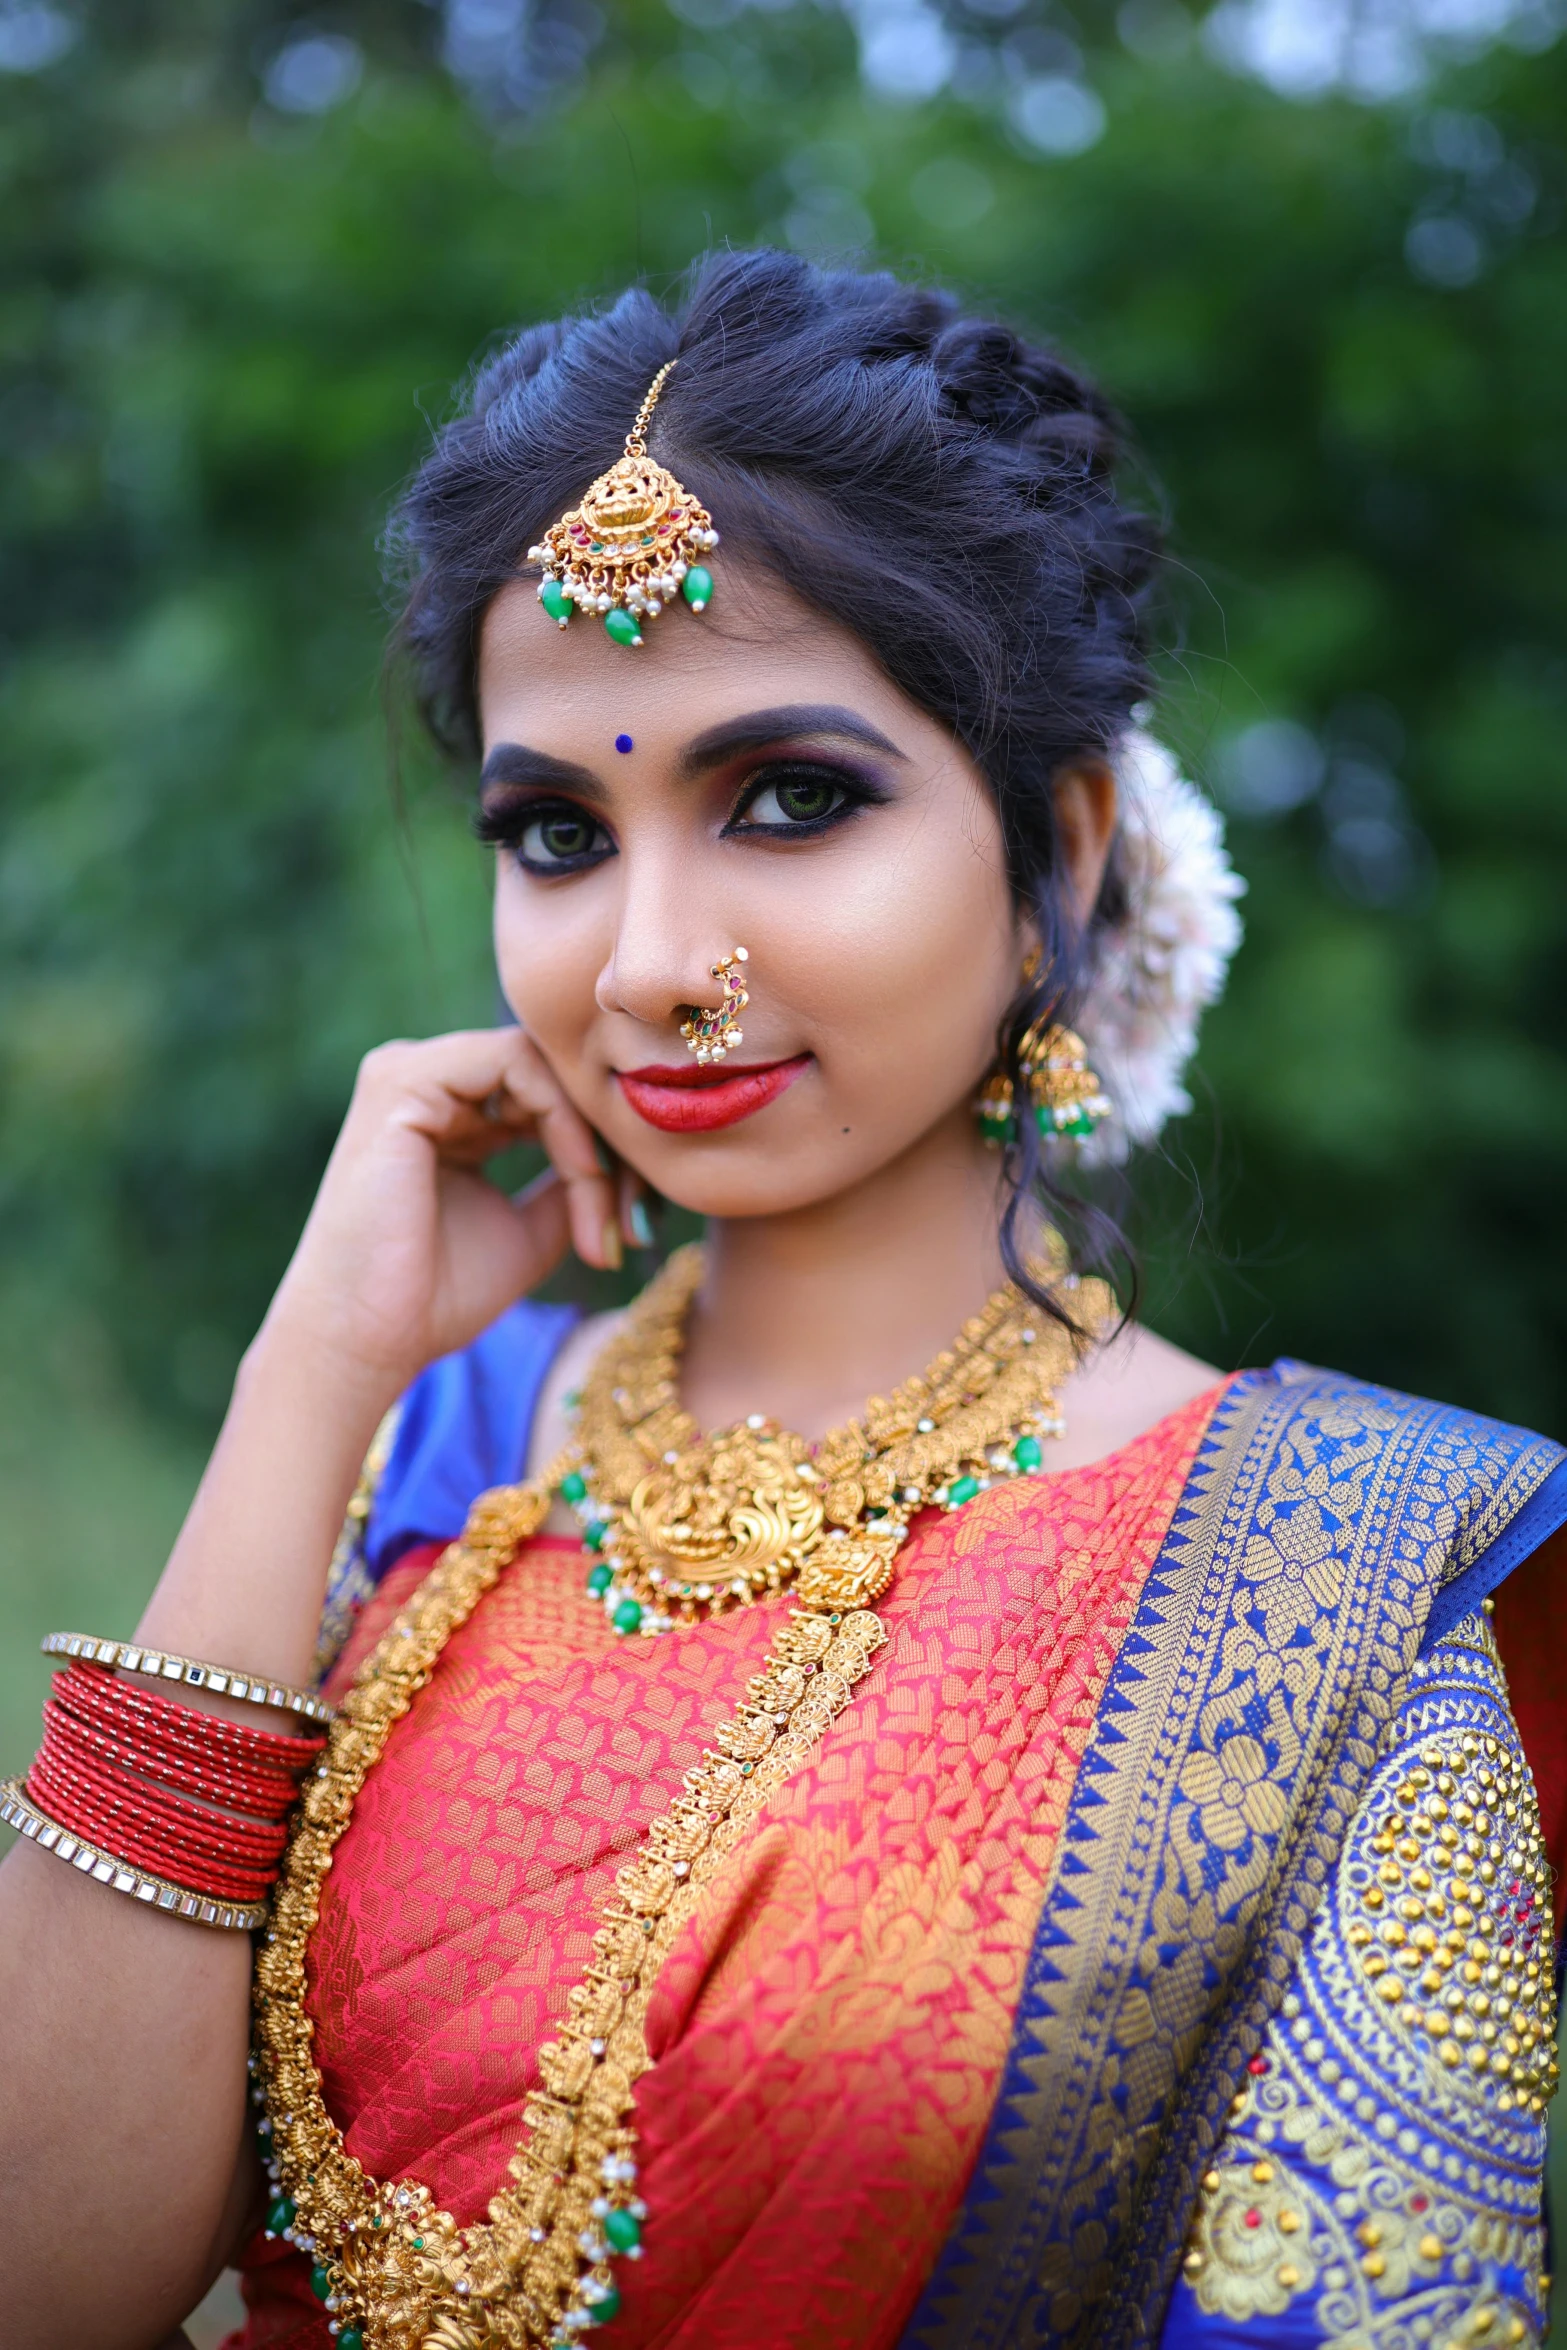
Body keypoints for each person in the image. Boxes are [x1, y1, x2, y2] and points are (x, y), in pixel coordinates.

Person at [0, 249, 1561, 2350]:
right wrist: (308, 1372)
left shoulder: (1349, 1583)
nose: (649, 956)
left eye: (791, 797)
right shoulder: (417, 1460)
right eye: (556, 829)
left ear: (1065, 854)